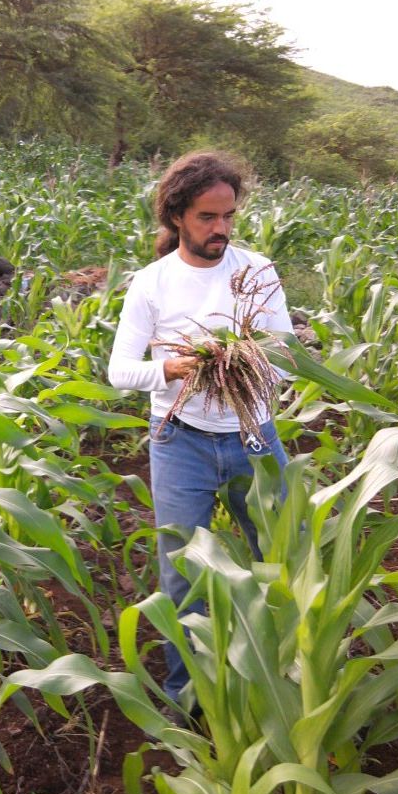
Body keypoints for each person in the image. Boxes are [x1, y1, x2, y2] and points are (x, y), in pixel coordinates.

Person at [108, 151, 293, 709]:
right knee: (183, 576)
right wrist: (172, 367)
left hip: (252, 436)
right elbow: (119, 371)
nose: (221, 229)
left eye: (229, 216)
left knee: (280, 561)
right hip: (179, 440)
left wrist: (244, 359)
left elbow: (286, 356)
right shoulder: (153, 282)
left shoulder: (255, 271)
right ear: (178, 217)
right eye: (208, 217)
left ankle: (282, 682)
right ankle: (188, 697)